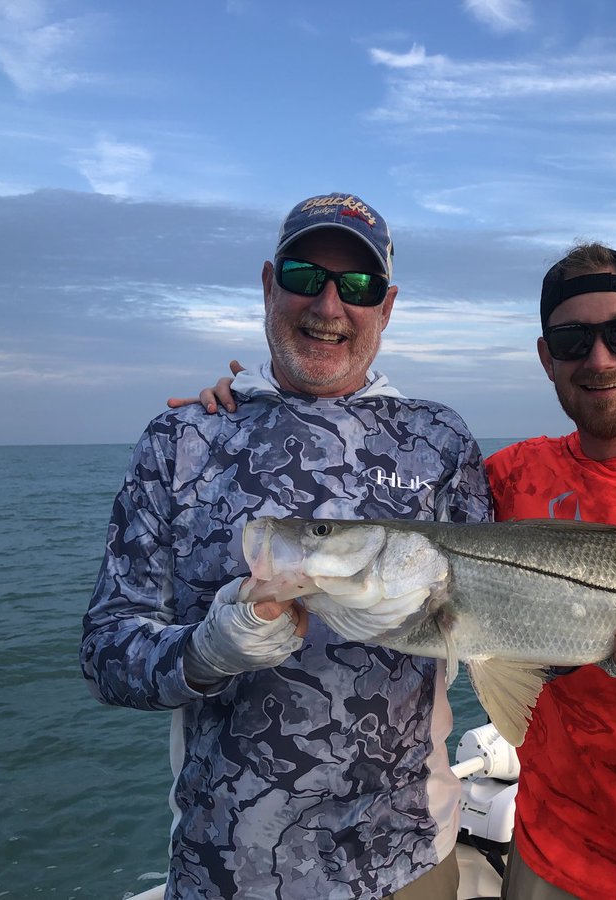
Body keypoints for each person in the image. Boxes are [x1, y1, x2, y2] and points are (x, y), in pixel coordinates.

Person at [189, 243, 616, 899]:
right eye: (571, 339)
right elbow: (383, 510)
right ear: (546, 356)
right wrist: (267, 406)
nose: (599, 358)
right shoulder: (508, 478)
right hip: (545, 856)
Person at [80, 192, 492, 900]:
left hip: (409, 861)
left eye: (357, 287)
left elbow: (502, 605)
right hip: (228, 871)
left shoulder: (441, 442)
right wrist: (205, 653)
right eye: (306, 277)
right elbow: (105, 653)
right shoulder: (183, 440)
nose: (329, 306)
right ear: (270, 284)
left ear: (385, 308)